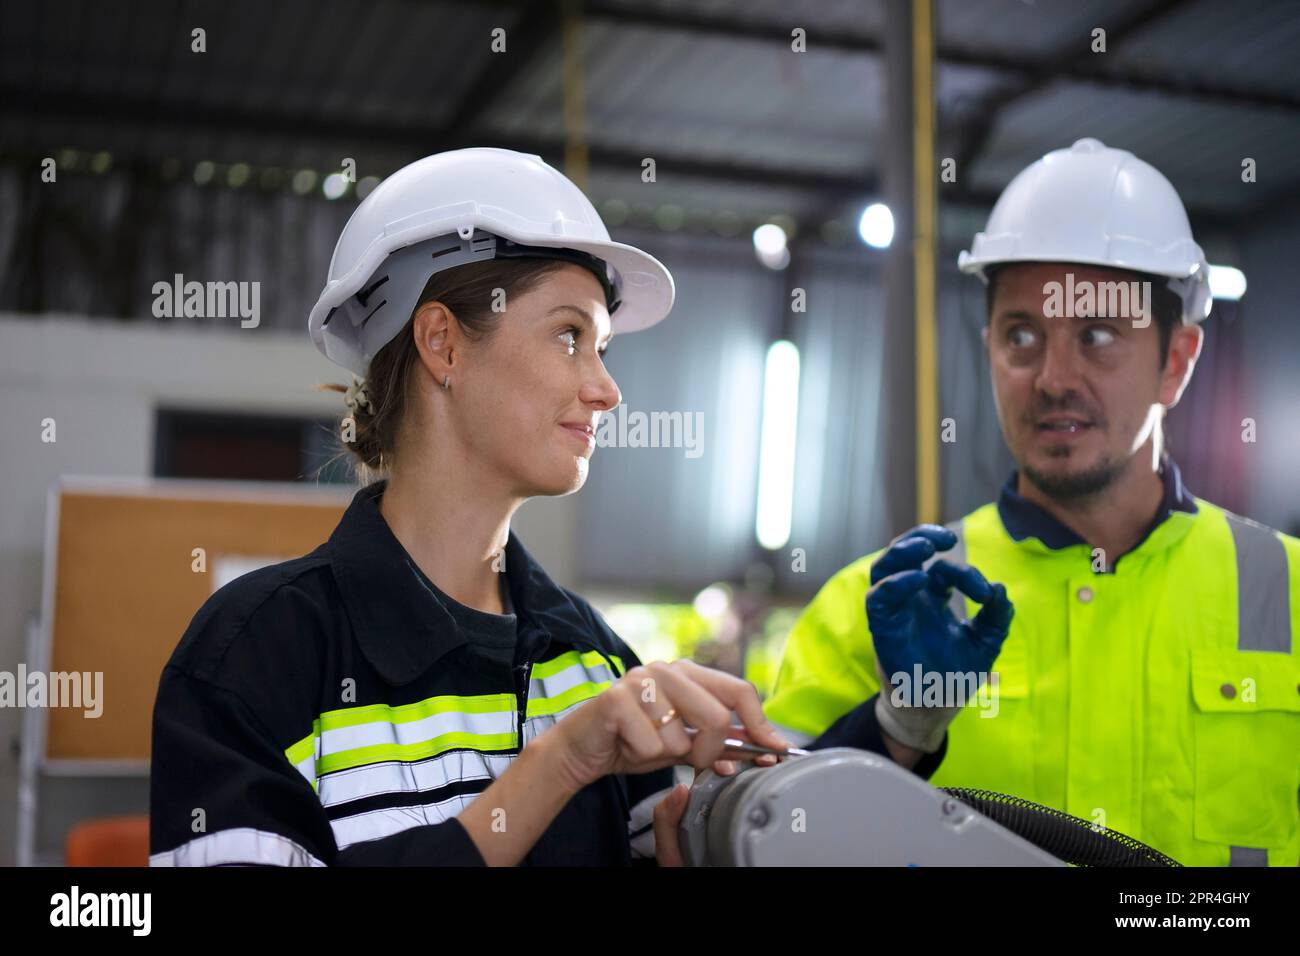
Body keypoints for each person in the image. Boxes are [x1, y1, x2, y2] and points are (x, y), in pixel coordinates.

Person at [148, 147, 794, 867]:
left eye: (602, 347)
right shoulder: (258, 654)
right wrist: (559, 764)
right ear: (443, 344)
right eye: (570, 335)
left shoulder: (589, 657)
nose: (607, 390)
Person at [765, 138, 1300, 867]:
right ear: (988, 348)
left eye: (1098, 335)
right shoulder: (878, 604)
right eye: (1022, 335)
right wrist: (895, 727)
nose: (1053, 378)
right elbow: (769, 835)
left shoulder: (1287, 592)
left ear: (1175, 362)